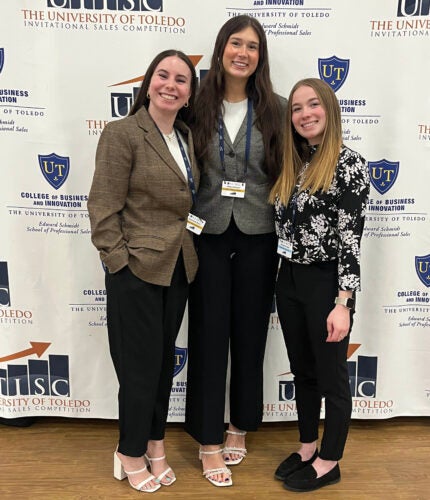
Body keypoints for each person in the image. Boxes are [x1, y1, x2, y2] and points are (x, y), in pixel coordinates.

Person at [87, 50, 199, 493]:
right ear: (148, 82)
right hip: (136, 270)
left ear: (190, 94)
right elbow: (102, 206)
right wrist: (119, 263)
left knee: (160, 366)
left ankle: (155, 442)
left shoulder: (187, 138)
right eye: (163, 75)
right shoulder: (122, 133)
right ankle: (129, 451)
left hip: (179, 267)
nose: (171, 85)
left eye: (181, 80)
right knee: (138, 369)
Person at [184, 15, 286, 487]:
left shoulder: (278, 110)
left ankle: (239, 425)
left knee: (250, 334)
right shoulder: (195, 104)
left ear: (260, 56)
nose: (242, 52)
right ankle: (207, 441)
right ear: (221, 48)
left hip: (258, 232)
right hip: (205, 231)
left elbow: (292, 175)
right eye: (234, 43)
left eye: (252, 46)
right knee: (207, 334)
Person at [269, 78, 369, 492]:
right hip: (288, 279)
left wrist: (343, 302)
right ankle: (308, 446)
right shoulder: (296, 162)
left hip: (327, 284)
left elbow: (351, 239)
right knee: (304, 372)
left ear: (329, 109)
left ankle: (331, 459)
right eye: (296, 108)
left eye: (313, 105)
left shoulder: (348, 165)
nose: (305, 114)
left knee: (331, 377)